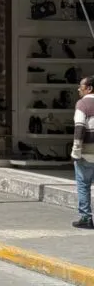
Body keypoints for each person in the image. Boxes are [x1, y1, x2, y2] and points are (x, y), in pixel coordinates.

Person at [71, 75, 94, 229]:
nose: (79, 89)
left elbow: (79, 128)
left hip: (88, 152)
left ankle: (86, 217)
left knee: (83, 184)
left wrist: (76, 152)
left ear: (90, 88)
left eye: (81, 86)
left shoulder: (82, 104)